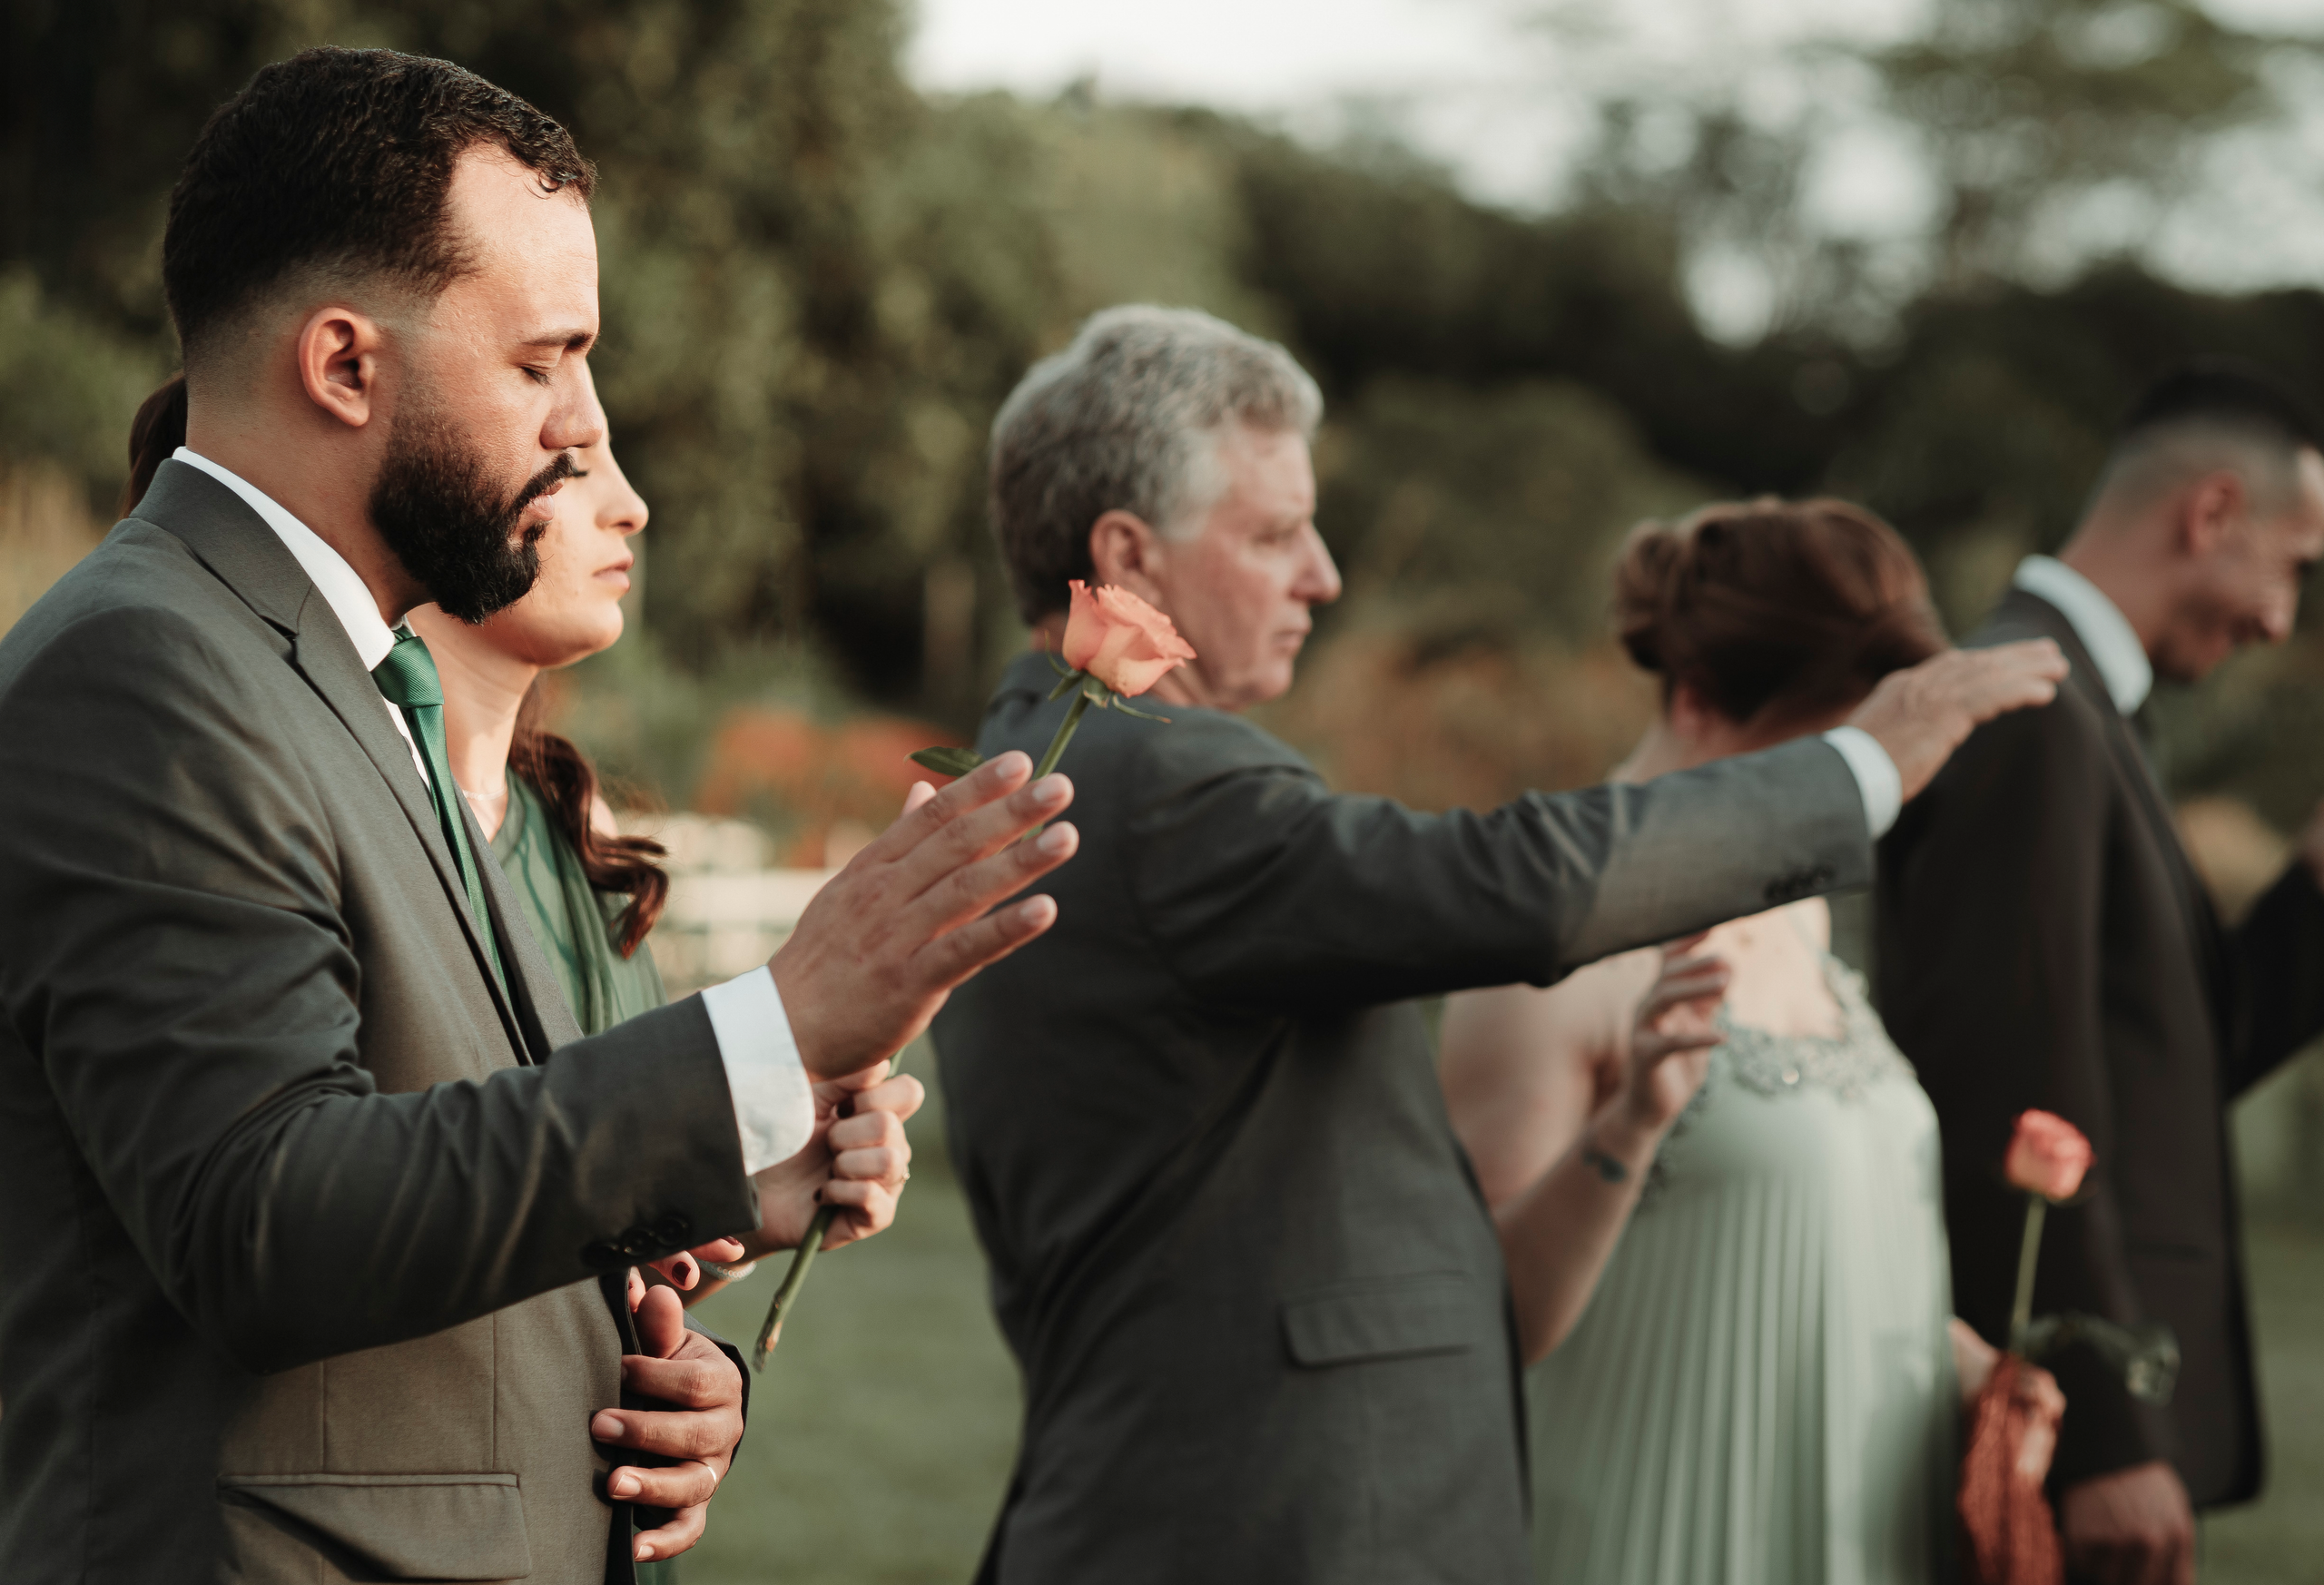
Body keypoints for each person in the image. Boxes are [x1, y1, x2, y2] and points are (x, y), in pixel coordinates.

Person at [0, 48, 1078, 1583]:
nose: (583, 429)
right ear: (346, 366)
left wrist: (673, 1317)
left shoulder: (369, 682)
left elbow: (444, 1177)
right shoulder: (145, 669)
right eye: (540, 361)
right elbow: (267, 1222)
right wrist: (776, 1022)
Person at [931, 304, 2067, 1584]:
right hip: (1266, 1527)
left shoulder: (1053, 774)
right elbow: (1502, 886)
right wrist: (1858, 766)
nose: (1325, 574)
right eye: (1272, 532)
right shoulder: (1157, 783)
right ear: (1126, 555)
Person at [1439, 498, 2064, 1585]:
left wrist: (1969, 1367)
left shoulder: (1800, 911)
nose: (1857, 801)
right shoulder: (1547, 957)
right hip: (1648, 1537)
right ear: (1694, 701)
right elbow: (1475, 1326)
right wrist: (1631, 1124)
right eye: (1834, 756)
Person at [1876, 359, 2324, 1585]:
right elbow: (2012, 1092)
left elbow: (2156, 1068)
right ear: (2212, 511)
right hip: (2065, 1433)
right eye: (2294, 565)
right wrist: (2102, 1427)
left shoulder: (2085, 710)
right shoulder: (2034, 702)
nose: (2282, 619)